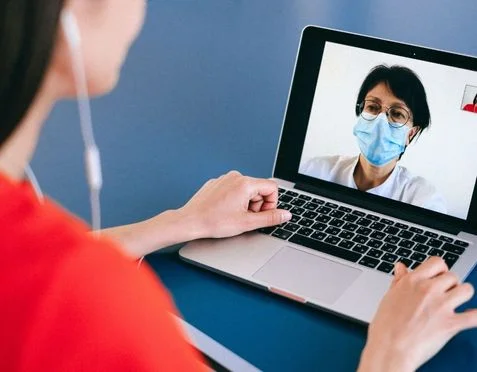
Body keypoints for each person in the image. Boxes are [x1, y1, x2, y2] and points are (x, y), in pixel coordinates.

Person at [1, 2, 476, 371]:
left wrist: (179, 223)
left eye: (397, 115)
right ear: (71, 12)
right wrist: (389, 356)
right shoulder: (118, 309)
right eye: (373, 107)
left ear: (413, 131)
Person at [301, 65, 447, 214]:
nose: (381, 121)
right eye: (373, 107)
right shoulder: (314, 170)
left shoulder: (424, 199)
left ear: (410, 134)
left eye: (397, 113)